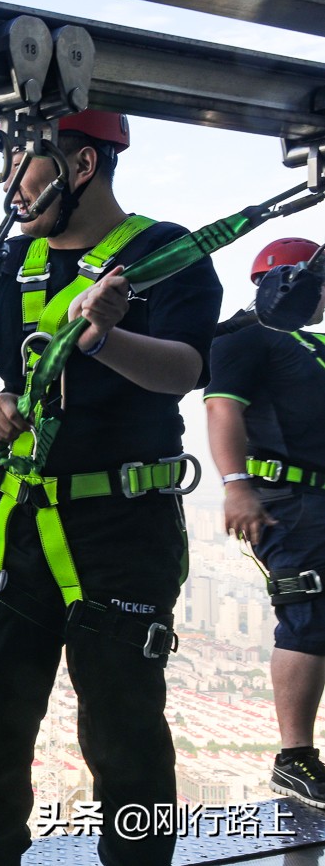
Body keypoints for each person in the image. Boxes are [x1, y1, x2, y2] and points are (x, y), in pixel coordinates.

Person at [0, 110, 223, 866]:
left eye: (18, 169)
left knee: (124, 728)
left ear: (80, 166)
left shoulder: (169, 255)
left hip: (122, 527)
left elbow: (184, 372)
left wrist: (104, 335)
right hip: (14, 521)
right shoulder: (7, 264)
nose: (9, 189)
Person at [204, 237, 325, 807]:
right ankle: (295, 759)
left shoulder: (307, 344)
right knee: (309, 608)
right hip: (291, 499)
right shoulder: (246, 337)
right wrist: (235, 486)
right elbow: (222, 406)